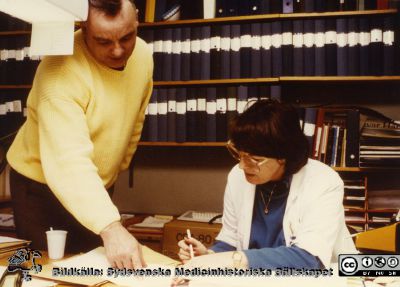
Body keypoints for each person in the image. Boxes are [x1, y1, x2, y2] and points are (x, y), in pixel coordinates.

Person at [6, 0, 153, 269]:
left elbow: (135, 119)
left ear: (137, 24)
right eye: (104, 41)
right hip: (41, 189)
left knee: (96, 269)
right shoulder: (59, 72)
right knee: (48, 272)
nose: (118, 50)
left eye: (126, 37)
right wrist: (110, 226)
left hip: (92, 183)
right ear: (84, 30)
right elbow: (68, 162)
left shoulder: (142, 55)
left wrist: (112, 172)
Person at [178, 99, 357, 270]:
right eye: (239, 154)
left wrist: (235, 259)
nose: (242, 165)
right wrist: (209, 255)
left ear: (283, 156)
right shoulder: (237, 176)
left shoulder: (323, 181)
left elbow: (309, 259)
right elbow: (230, 241)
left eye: (254, 159)